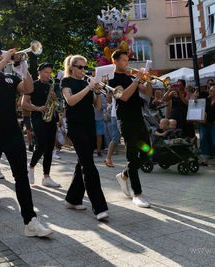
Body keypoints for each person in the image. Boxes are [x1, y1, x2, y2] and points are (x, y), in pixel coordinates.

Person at [0, 38, 52, 236]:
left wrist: (23, 70)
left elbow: (28, 89)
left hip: (12, 133)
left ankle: (30, 221)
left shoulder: (9, 78)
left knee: (21, 177)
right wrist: (4, 60)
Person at [61, 54, 109, 220]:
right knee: (89, 165)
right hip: (75, 126)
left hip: (90, 125)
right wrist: (89, 88)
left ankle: (72, 199)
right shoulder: (66, 82)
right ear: (72, 67)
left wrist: (96, 91)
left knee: (83, 161)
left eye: (85, 67)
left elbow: (97, 106)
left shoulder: (86, 83)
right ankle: (99, 207)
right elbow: (71, 101)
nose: (83, 70)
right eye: (80, 67)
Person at [108, 50, 151, 208]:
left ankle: (124, 174)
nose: (127, 63)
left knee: (147, 152)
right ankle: (137, 194)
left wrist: (147, 81)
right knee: (132, 157)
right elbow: (123, 96)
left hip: (138, 119)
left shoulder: (131, 78)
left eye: (127, 60)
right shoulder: (112, 79)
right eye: (124, 60)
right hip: (125, 121)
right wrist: (136, 80)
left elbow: (147, 93)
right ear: (116, 62)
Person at [22, 62, 61, 187]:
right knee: (42, 147)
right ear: (39, 73)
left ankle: (46, 177)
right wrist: (38, 108)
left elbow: (59, 107)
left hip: (51, 119)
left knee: (49, 149)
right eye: (46, 72)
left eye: (50, 73)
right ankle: (31, 167)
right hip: (38, 119)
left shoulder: (51, 86)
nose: (48, 75)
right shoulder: (32, 85)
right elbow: (24, 103)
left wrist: (56, 99)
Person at [194, 86, 215, 168]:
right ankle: (205, 160)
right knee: (203, 139)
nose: (209, 92)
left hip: (214, 124)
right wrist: (195, 97)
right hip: (204, 123)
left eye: (212, 91)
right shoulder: (206, 100)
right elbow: (197, 105)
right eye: (209, 90)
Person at [104, 95, 120, 168]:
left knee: (128, 138)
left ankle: (127, 162)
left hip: (126, 115)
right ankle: (108, 157)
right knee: (115, 137)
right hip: (116, 116)